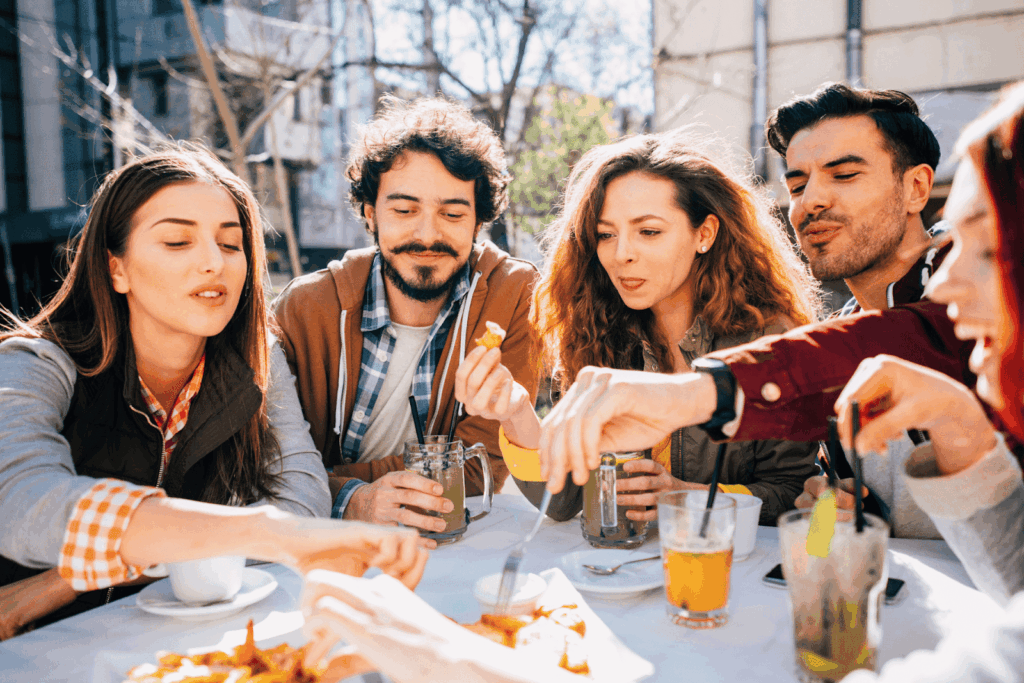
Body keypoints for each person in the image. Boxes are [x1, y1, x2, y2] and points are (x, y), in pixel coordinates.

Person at [0, 147, 427, 640]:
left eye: (230, 244)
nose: (212, 263)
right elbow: (22, 502)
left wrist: (67, 579)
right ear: (116, 268)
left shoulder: (258, 359)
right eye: (178, 241)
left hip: (171, 644)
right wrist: (261, 532)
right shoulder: (33, 362)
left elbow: (303, 504)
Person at [536, 84, 976, 539]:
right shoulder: (842, 326)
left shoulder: (971, 284)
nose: (812, 201)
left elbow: (921, 338)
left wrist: (689, 396)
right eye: (798, 184)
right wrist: (831, 517)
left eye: (843, 175)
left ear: (916, 188)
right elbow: (830, 506)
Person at [456, 131, 822, 525]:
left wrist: (682, 497)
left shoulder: (768, 339)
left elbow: (796, 495)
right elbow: (562, 502)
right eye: (606, 234)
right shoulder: (596, 331)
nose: (621, 254)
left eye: (648, 232)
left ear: (705, 234)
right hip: (615, 575)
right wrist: (515, 414)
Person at [274, 97, 541, 542]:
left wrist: (331, 479)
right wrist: (352, 498)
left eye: (453, 214)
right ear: (369, 212)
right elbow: (270, 467)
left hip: (449, 542)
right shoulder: (305, 308)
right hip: (323, 545)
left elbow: (477, 468)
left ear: (478, 223)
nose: (427, 234)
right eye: (403, 210)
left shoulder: (513, 296)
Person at [836, 81, 1024, 683]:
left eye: (991, 249)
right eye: (795, 182)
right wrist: (959, 424)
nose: (944, 287)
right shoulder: (839, 327)